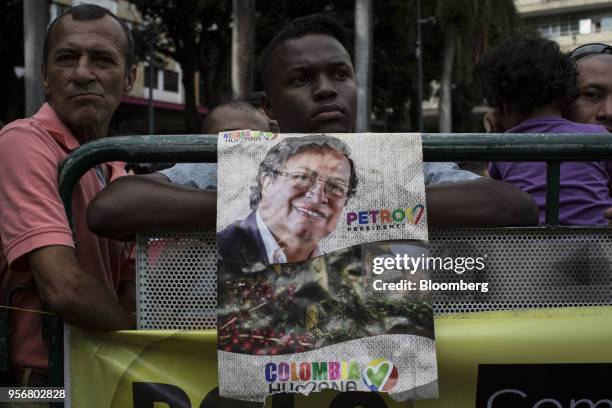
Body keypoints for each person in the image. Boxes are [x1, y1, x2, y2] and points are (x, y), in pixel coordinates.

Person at [88, 14, 538, 242]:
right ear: (269, 107)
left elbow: (511, 206)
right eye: (302, 80)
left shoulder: (394, 161)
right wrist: (260, 208)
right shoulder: (243, 169)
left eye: (339, 75)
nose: (326, 90)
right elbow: (111, 208)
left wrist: (346, 202)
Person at [0, 4, 137, 389]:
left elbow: (130, 288)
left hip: (103, 377)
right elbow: (63, 287)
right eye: (66, 59)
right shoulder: (23, 141)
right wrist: (141, 347)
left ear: (129, 79)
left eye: (101, 60)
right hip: (39, 384)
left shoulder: (116, 170)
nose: (81, 74)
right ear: (45, 76)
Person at [474, 34, 612, 225]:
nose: (608, 112)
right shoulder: (598, 136)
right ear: (564, 98)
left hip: (530, 251)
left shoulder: (501, 149)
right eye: (591, 94)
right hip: (595, 248)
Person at [218, 135, 357, 264]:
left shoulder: (339, 273)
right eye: (303, 177)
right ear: (267, 183)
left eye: (335, 187)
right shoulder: (218, 252)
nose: (318, 197)